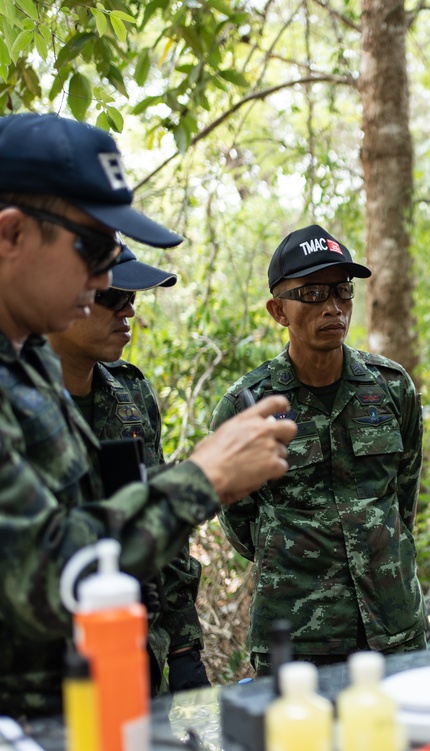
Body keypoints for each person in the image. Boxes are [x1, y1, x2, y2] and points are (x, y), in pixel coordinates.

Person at [0, 112, 297, 718]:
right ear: (11, 234)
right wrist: (200, 480)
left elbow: (85, 520)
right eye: (93, 251)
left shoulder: (27, 360)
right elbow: (41, 573)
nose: (105, 279)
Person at [211, 225, 426, 675]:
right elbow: (239, 519)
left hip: (393, 626)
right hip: (297, 633)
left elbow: (403, 496)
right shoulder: (248, 404)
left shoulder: (390, 387)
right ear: (278, 311)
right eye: (312, 294)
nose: (332, 307)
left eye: (342, 291)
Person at [47, 245, 212, 696]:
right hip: (46, 674)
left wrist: (184, 648)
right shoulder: (19, 406)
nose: (129, 311)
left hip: (138, 659)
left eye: (132, 298)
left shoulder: (131, 395)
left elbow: (165, 536)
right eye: (111, 297)